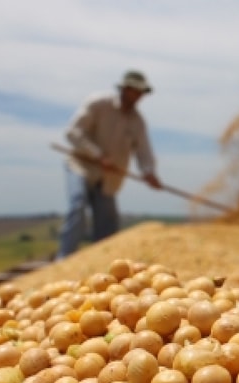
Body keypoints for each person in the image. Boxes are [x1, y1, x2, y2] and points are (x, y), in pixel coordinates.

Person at [56, 69, 163, 259]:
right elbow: (73, 133)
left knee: (107, 223)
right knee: (78, 205)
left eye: (141, 93)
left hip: (109, 177)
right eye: (134, 91)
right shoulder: (98, 104)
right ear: (124, 89)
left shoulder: (137, 122)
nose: (137, 96)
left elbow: (144, 152)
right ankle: (64, 258)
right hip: (81, 165)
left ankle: (102, 265)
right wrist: (98, 155)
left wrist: (149, 172)